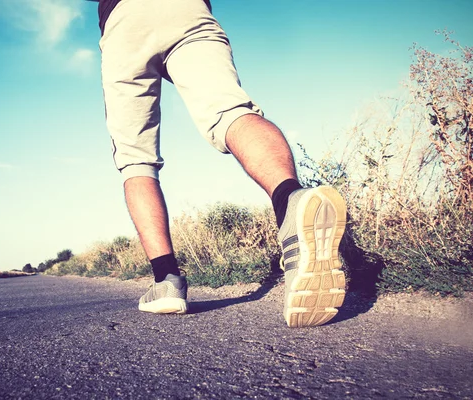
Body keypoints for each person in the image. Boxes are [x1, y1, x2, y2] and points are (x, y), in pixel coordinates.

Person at [87, 0, 346, 327]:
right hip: (187, 8)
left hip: (124, 19)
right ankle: (290, 200)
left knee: (136, 160)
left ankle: (166, 281)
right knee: (230, 112)